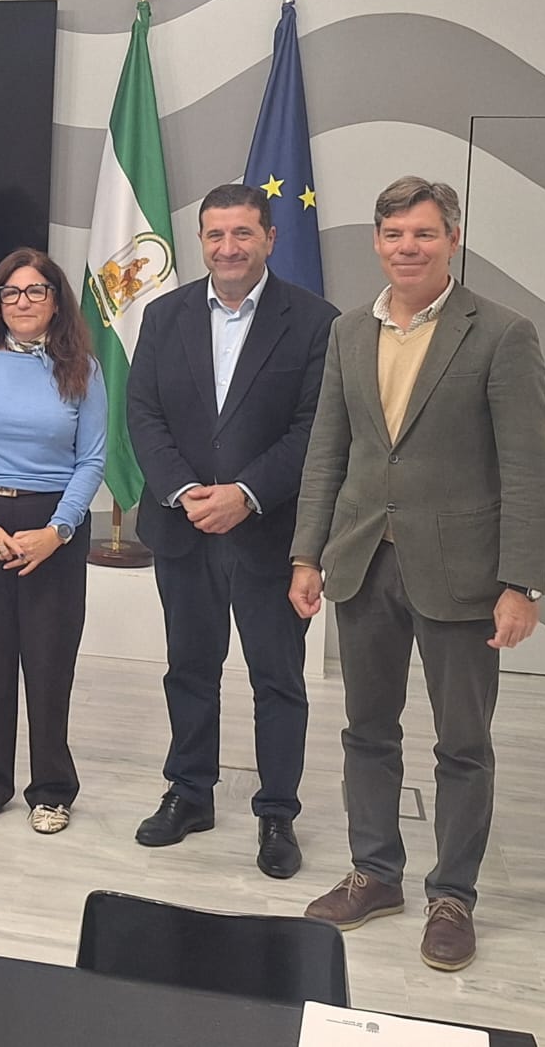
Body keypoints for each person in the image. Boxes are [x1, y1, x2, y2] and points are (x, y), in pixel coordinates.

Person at [291, 176, 545, 972]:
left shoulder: (503, 333)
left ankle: (453, 896)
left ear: (453, 238)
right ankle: (375, 871)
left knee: (463, 743)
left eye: (424, 234)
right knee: (366, 730)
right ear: (376, 241)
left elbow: (530, 469)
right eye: (394, 234)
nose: (408, 247)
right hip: (363, 560)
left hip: (465, 574)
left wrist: (522, 582)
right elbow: (328, 452)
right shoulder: (347, 332)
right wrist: (308, 552)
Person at [126, 184, 337, 877]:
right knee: (190, 666)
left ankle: (277, 812)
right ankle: (190, 792)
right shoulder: (164, 315)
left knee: (277, 678)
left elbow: (316, 430)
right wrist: (188, 491)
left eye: (243, 233)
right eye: (215, 235)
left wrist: (245, 494)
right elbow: (143, 415)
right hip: (184, 527)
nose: (228, 247)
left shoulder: (314, 322)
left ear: (270, 237)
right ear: (202, 241)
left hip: (268, 531)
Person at [0, 248, 105, 834]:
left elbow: (93, 459)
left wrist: (57, 532)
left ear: (56, 300)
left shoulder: (82, 366)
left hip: (52, 528)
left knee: (49, 662)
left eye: (35, 291)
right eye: (11, 292)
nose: (23, 302)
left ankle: (52, 789)